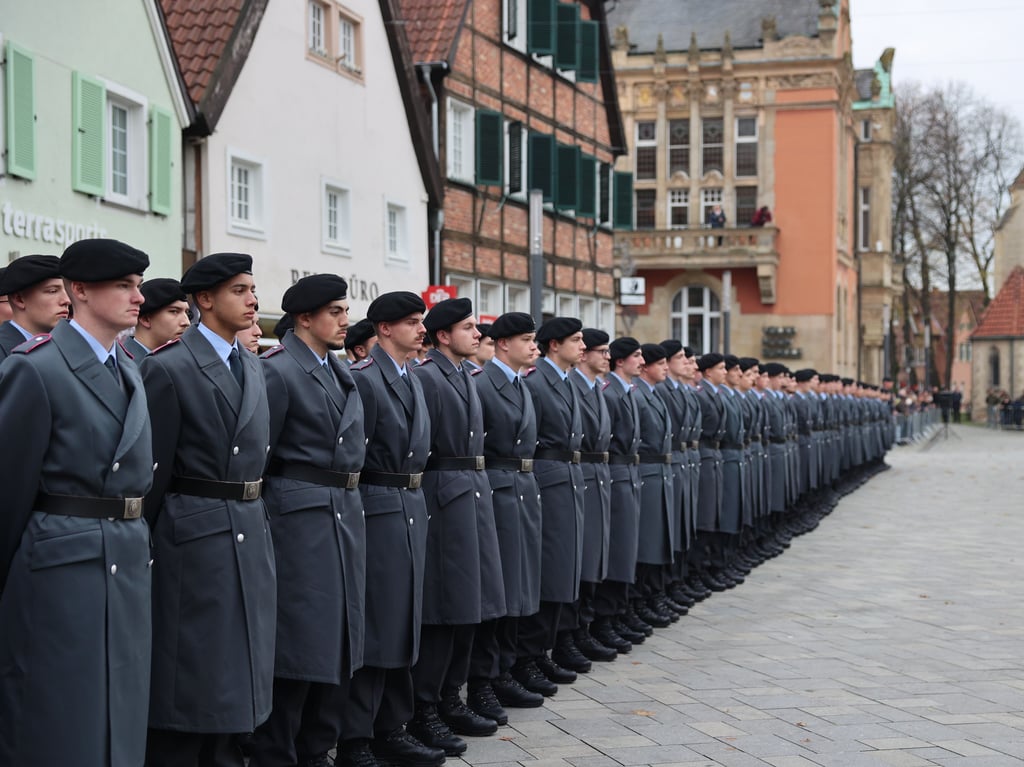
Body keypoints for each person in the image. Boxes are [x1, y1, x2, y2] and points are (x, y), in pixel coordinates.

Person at [0, 238, 154, 767]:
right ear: (81, 290)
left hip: (126, 558)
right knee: (63, 717)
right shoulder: (36, 368)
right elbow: (8, 491)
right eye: (124, 286)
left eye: (138, 286)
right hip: (61, 567)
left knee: (122, 710)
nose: (138, 298)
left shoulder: (128, 366)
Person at [142, 253, 277, 767]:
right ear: (205, 300)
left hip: (247, 521)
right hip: (193, 532)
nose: (252, 300)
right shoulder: (170, 367)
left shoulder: (251, 363)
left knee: (239, 665)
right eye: (240, 291)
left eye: (252, 289)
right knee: (193, 668)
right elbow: (152, 473)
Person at [249, 274, 367, 767]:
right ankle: (279, 752)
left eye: (345, 310)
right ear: (304, 318)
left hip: (339, 512)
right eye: (336, 312)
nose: (345, 320)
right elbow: (259, 454)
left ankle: (318, 746)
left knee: (337, 639)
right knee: (297, 644)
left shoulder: (337, 370)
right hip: (296, 515)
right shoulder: (277, 371)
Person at [344, 291, 443, 767]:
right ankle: (359, 735)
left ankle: (393, 724)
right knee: (378, 625)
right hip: (377, 505)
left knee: (406, 620)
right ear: (383, 329)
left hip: (409, 503)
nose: (420, 329)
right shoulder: (364, 380)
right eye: (409, 322)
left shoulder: (411, 379)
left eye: (421, 321)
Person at [407, 298, 505, 752]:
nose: (477, 335)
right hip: (444, 495)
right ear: (443, 335)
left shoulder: (465, 375)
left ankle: (452, 694)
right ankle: (427, 706)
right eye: (468, 328)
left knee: (471, 604)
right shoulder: (428, 377)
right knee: (444, 608)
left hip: (472, 492)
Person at [469, 313, 545, 722]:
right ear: (502, 344)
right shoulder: (483, 384)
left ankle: (507, 669)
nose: (535, 347)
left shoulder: (519, 383)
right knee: (495, 592)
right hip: (496, 491)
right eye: (527, 340)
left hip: (521, 489)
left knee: (520, 585)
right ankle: (484, 680)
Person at [515, 317, 586, 692]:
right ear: (554, 344)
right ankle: (530, 654)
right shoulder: (536, 380)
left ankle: (547, 648)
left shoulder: (564, 379)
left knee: (564, 568)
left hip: (567, 478)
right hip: (546, 480)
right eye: (576, 340)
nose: (583, 347)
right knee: (547, 571)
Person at [566, 329, 615, 659]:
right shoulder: (574, 387)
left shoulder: (596, 388)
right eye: (601, 351)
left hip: (595, 474)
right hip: (577, 475)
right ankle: (572, 634)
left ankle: (586, 626)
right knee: (576, 561)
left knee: (595, 555)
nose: (606, 357)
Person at [594, 337, 645, 642]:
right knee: (616, 551)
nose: (641, 360)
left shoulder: (623, 391)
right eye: (635, 356)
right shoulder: (611, 392)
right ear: (621, 361)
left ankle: (618, 614)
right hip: (613, 474)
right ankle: (606, 619)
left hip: (627, 472)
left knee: (626, 548)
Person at [630, 343, 677, 628]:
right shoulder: (637, 395)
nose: (666, 368)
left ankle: (652, 597)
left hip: (657, 470)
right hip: (645, 470)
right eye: (660, 363)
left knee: (658, 541)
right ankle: (641, 600)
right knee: (646, 544)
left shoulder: (653, 394)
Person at [0, 254, 70, 357]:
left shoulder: (69, 348)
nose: (67, 301)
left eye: (68, 291)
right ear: (19, 299)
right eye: (52, 291)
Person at [124, 277, 190, 357]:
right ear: (146, 319)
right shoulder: (121, 363)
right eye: (174, 311)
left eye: (187, 312)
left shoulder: (180, 359)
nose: (186, 322)